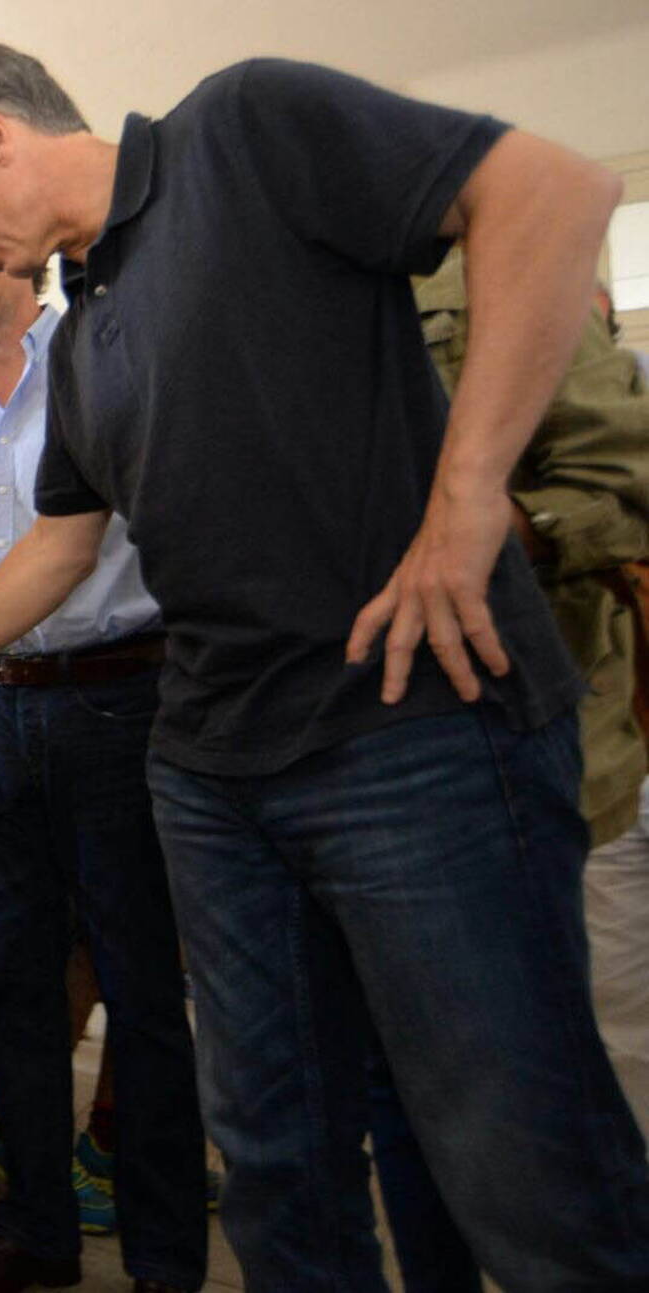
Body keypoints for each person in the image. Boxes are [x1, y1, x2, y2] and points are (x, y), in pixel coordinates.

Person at [0, 35, 649, 1289]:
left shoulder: (240, 130)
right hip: (210, 773)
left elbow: (546, 187)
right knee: (277, 1164)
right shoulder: (87, 337)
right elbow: (60, 544)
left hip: (407, 729)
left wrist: (470, 498)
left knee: (512, 1154)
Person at [0, 223, 204, 1292]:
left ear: (28, 255)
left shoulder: (101, 360)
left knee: (139, 986)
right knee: (16, 988)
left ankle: (166, 1254)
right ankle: (33, 1231)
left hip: (118, 695)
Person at [366, 246, 649, 1291]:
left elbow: (621, 477)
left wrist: (479, 536)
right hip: (401, 782)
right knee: (427, 1090)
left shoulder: (516, 287)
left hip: (564, 770)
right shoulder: (326, 300)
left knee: (592, 1072)